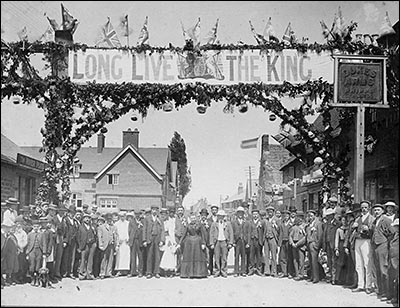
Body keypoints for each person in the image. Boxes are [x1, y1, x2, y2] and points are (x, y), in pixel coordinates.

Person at [371, 203, 393, 301]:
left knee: (384, 269)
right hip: (375, 245)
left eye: (378, 210)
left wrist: (388, 245)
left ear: (383, 211)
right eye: (375, 210)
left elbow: (393, 233)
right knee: (377, 269)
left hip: (383, 246)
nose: (376, 212)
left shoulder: (386, 220)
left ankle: (387, 293)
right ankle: (379, 290)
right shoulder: (375, 220)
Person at [352, 200, 375, 294]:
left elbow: (374, 230)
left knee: (367, 263)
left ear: (369, 208)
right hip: (358, 240)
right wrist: (354, 226)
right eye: (362, 208)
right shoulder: (358, 218)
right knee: (358, 263)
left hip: (366, 241)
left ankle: (368, 285)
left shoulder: (372, 218)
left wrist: (368, 228)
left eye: (365, 207)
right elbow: (353, 229)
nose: (364, 209)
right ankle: (360, 284)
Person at [178, 213, 208, 278]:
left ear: (196, 218)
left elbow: (203, 235)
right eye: (192, 218)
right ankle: (188, 273)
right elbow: (184, 235)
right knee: (189, 257)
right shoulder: (188, 226)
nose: (193, 219)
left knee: (198, 257)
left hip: (198, 243)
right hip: (189, 244)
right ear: (190, 219)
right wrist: (179, 243)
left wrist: (203, 243)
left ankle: (199, 273)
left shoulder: (200, 225)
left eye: (194, 218)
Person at [210, 209, 234, 278]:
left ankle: (224, 271)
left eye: (222, 216)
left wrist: (230, 243)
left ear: (224, 217)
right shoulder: (214, 224)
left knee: (224, 257)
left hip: (224, 241)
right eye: (219, 216)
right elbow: (211, 234)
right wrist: (211, 243)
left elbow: (231, 233)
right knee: (216, 257)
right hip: (217, 241)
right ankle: (217, 271)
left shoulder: (228, 224)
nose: (220, 217)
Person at [143, 205, 165, 279]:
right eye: (153, 210)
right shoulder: (147, 219)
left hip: (157, 238)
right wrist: (144, 240)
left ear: (157, 211)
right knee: (149, 255)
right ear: (151, 210)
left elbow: (162, 230)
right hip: (150, 238)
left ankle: (156, 272)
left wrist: (162, 240)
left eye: (156, 210)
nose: (154, 211)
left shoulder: (160, 219)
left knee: (157, 256)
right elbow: (144, 230)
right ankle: (149, 272)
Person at [25, 220, 47, 286]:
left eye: (37, 226)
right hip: (32, 251)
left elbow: (44, 244)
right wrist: (27, 253)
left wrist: (44, 253)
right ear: (32, 227)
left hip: (39, 251)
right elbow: (28, 244)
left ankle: (37, 279)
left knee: (38, 266)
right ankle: (32, 279)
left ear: (39, 227)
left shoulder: (42, 234)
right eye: (34, 226)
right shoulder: (29, 234)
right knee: (32, 266)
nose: (36, 228)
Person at [305, 209, 324, 283]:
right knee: (310, 261)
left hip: (314, 244)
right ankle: (312, 276)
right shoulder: (309, 224)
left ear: (314, 216)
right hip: (309, 244)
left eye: (311, 216)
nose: (310, 217)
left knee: (314, 261)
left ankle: (316, 277)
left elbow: (320, 235)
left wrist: (317, 245)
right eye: (309, 216)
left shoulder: (318, 223)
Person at [61, 204, 79, 279]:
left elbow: (77, 231)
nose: (72, 214)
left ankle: (70, 272)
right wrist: (65, 241)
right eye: (71, 213)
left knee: (72, 257)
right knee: (66, 257)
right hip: (67, 241)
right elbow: (64, 231)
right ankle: (64, 272)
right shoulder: (65, 220)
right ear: (68, 213)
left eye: (73, 213)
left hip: (74, 241)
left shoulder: (75, 221)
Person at [77, 213, 96, 280]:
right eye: (86, 218)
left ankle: (89, 274)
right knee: (83, 260)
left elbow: (95, 235)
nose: (87, 219)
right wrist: (79, 246)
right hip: (84, 245)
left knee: (90, 260)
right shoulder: (80, 227)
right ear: (83, 219)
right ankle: (82, 274)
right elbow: (78, 237)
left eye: (88, 218)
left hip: (91, 245)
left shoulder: (92, 227)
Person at [323, 208, 341, 284]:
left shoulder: (337, 223)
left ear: (333, 215)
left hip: (333, 245)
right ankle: (330, 276)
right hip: (327, 245)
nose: (328, 217)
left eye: (329, 215)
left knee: (334, 261)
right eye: (327, 216)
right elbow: (324, 234)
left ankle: (334, 278)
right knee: (329, 261)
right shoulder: (326, 224)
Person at [231, 206, 249, 277]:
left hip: (244, 241)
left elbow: (248, 233)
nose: (240, 214)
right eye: (239, 213)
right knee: (236, 256)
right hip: (237, 241)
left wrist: (248, 242)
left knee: (243, 256)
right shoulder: (233, 222)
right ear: (237, 214)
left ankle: (243, 271)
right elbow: (232, 232)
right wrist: (233, 242)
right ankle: (236, 271)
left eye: (241, 213)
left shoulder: (246, 222)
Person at [160, 208, 178, 277]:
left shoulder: (170, 222)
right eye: (162, 214)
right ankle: (163, 271)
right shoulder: (161, 221)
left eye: (165, 214)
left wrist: (172, 241)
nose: (163, 216)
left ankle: (170, 271)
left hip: (169, 240)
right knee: (163, 255)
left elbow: (171, 232)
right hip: (162, 239)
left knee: (169, 255)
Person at [289, 211, 306, 281]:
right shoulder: (294, 227)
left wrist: (298, 244)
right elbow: (290, 236)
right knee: (295, 259)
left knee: (301, 260)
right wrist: (292, 243)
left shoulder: (305, 226)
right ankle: (296, 274)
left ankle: (301, 274)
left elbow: (305, 237)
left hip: (301, 245)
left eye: (301, 217)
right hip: (294, 245)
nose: (299, 219)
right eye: (298, 217)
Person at [263, 205, 280, 277]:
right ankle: (267, 271)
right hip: (266, 239)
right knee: (266, 255)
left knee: (273, 256)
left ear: (273, 212)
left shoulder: (277, 220)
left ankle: (274, 271)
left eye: (271, 212)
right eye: (268, 212)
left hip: (273, 239)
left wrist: (276, 225)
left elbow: (280, 230)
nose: (270, 213)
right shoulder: (265, 220)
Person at [1, 221, 19, 286]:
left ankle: (3, 281)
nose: (9, 229)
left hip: (5, 254)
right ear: (3, 227)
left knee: (3, 267)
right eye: (7, 227)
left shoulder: (7, 235)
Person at [248, 208, 264, 276]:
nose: (255, 215)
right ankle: (251, 269)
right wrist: (248, 242)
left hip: (258, 240)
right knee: (251, 256)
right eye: (254, 214)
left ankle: (259, 269)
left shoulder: (262, 222)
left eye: (256, 214)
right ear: (252, 215)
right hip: (252, 240)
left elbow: (264, 232)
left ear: (258, 215)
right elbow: (248, 233)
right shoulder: (250, 222)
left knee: (259, 256)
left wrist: (262, 241)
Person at [128, 210, 144, 277]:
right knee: (133, 256)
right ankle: (132, 271)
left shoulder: (142, 221)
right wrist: (131, 238)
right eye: (136, 214)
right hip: (133, 240)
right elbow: (129, 231)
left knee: (140, 256)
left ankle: (140, 271)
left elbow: (144, 230)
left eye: (138, 214)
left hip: (139, 240)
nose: (137, 215)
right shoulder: (131, 221)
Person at [97, 214, 114, 279]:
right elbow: (99, 237)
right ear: (106, 220)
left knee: (110, 259)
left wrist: (116, 244)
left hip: (111, 245)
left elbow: (116, 236)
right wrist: (100, 245)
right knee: (103, 259)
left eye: (110, 219)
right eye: (108, 219)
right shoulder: (101, 227)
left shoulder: (113, 227)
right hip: (104, 245)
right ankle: (102, 273)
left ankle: (109, 273)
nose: (109, 221)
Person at [114, 211, 130, 276]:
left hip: (126, 242)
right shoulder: (116, 224)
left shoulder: (128, 223)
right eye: (121, 216)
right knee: (119, 257)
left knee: (126, 256)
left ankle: (126, 270)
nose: (122, 217)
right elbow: (115, 234)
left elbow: (129, 232)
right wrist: (117, 241)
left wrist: (128, 238)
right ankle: (119, 270)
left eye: (123, 216)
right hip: (120, 243)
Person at [13, 216, 28, 284]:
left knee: (21, 264)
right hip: (14, 251)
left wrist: (21, 247)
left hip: (21, 250)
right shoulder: (14, 232)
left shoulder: (23, 233)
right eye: (17, 224)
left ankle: (20, 277)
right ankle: (14, 277)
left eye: (20, 224)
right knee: (14, 264)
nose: (18, 225)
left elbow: (25, 241)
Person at [387, 218, 398, 306]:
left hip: (397, 260)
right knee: (394, 279)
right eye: (395, 226)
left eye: (397, 226)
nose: (396, 228)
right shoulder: (393, 235)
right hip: (393, 259)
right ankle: (395, 297)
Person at [278, 209, 292, 278]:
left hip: (288, 242)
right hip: (282, 242)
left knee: (289, 257)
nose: (285, 217)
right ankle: (284, 272)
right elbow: (279, 233)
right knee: (282, 257)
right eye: (284, 216)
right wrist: (279, 243)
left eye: (287, 216)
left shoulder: (291, 224)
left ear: (289, 216)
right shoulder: (281, 224)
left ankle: (289, 272)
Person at [334, 215, 348, 285]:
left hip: (347, 245)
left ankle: (346, 279)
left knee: (347, 263)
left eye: (345, 220)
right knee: (340, 262)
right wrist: (336, 249)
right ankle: (338, 279)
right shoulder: (339, 230)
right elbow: (336, 239)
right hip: (341, 245)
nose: (344, 222)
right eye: (343, 220)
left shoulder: (349, 229)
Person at [206, 205, 219, 275]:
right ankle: (210, 270)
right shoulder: (208, 220)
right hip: (210, 241)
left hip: (218, 240)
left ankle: (217, 269)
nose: (214, 211)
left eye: (215, 210)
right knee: (210, 256)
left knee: (217, 255)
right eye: (213, 210)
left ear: (217, 211)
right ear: (211, 211)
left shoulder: (220, 219)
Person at [175, 205, 187, 275]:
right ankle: (177, 269)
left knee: (183, 254)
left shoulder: (185, 219)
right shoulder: (175, 219)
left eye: (181, 210)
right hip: (176, 238)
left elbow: (187, 228)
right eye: (179, 210)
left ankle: (183, 269)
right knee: (177, 254)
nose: (180, 212)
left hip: (184, 239)